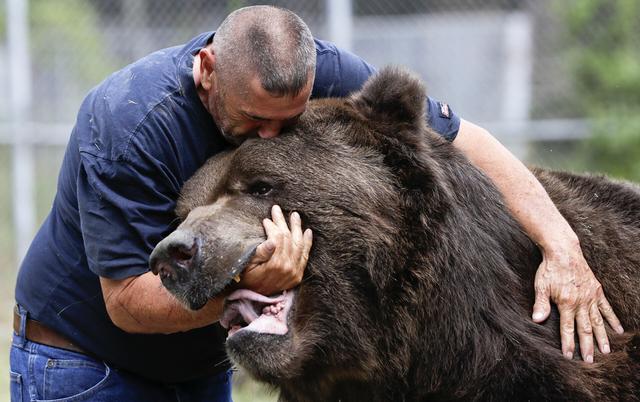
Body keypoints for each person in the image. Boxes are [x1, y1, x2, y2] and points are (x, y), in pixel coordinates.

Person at [11, 5, 623, 402]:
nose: (274, 136)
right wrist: (249, 284)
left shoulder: (315, 74)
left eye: (290, 121)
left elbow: (463, 137)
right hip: (86, 366)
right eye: (254, 121)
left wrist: (561, 243)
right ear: (206, 71)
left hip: (193, 373)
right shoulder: (129, 125)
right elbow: (126, 304)